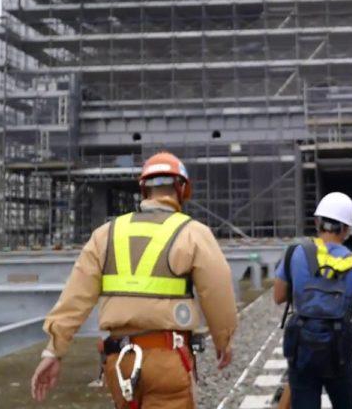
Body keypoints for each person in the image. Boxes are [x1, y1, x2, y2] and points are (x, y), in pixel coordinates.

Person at [31, 152, 238, 408]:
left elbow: (75, 297)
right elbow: (217, 291)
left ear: (144, 189)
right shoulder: (193, 233)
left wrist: (54, 351)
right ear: (182, 188)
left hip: (120, 362)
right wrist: (223, 341)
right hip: (167, 359)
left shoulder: (106, 234)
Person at [273, 192, 352, 409]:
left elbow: (278, 297)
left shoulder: (294, 252)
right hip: (338, 350)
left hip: (302, 347)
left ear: (317, 222)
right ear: (347, 229)